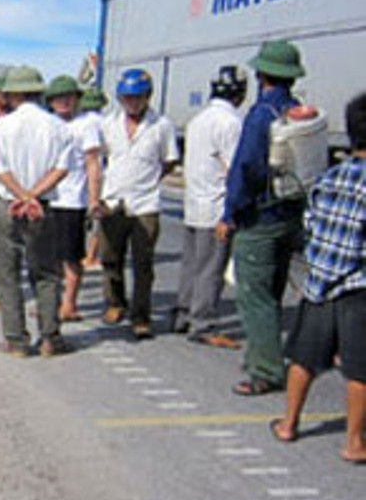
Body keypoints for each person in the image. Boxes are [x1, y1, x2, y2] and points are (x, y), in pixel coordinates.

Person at [269, 92, 366, 463]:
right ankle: (354, 442)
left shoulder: (329, 178)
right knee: (360, 368)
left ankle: (289, 423)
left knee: (304, 359)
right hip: (357, 288)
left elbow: (309, 226)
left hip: (319, 285)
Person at [216, 41, 306, 396]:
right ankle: (262, 355)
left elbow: (246, 168)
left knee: (255, 297)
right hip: (290, 213)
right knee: (274, 289)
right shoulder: (297, 111)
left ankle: (265, 370)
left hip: (261, 217)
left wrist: (230, 214)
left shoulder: (261, 114)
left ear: (261, 74)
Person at [0, 66, 72, 357]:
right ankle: (50, 337)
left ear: (13, 95)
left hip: (4, 202)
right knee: (45, 273)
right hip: (40, 206)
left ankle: (16, 340)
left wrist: (21, 195)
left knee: (7, 274)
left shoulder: (2, 126)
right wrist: (32, 196)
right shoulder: (58, 127)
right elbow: (61, 169)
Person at [92, 68, 178, 339]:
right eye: (127, 98)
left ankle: (141, 316)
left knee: (143, 263)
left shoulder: (161, 126)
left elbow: (169, 160)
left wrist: (150, 178)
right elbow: (97, 160)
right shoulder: (108, 124)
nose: (132, 103)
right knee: (110, 258)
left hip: (145, 203)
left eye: (137, 98)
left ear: (147, 97)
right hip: (113, 200)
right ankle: (115, 303)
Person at [172, 66, 247, 348]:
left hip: (194, 203)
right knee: (211, 269)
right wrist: (234, 210)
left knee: (191, 265)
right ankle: (203, 323)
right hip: (216, 206)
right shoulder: (231, 123)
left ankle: (183, 314)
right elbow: (234, 170)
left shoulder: (198, 120)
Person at [45, 75, 103, 322]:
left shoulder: (86, 124)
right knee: (49, 257)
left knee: (70, 256)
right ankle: (51, 302)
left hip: (72, 199)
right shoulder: (47, 124)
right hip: (48, 197)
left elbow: (92, 163)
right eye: (59, 98)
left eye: (69, 97)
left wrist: (94, 199)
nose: (64, 102)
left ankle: (69, 304)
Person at [79, 87, 108, 271]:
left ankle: (80, 252)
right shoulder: (105, 122)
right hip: (99, 171)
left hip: (78, 174)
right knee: (97, 217)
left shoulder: (79, 122)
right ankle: (91, 255)